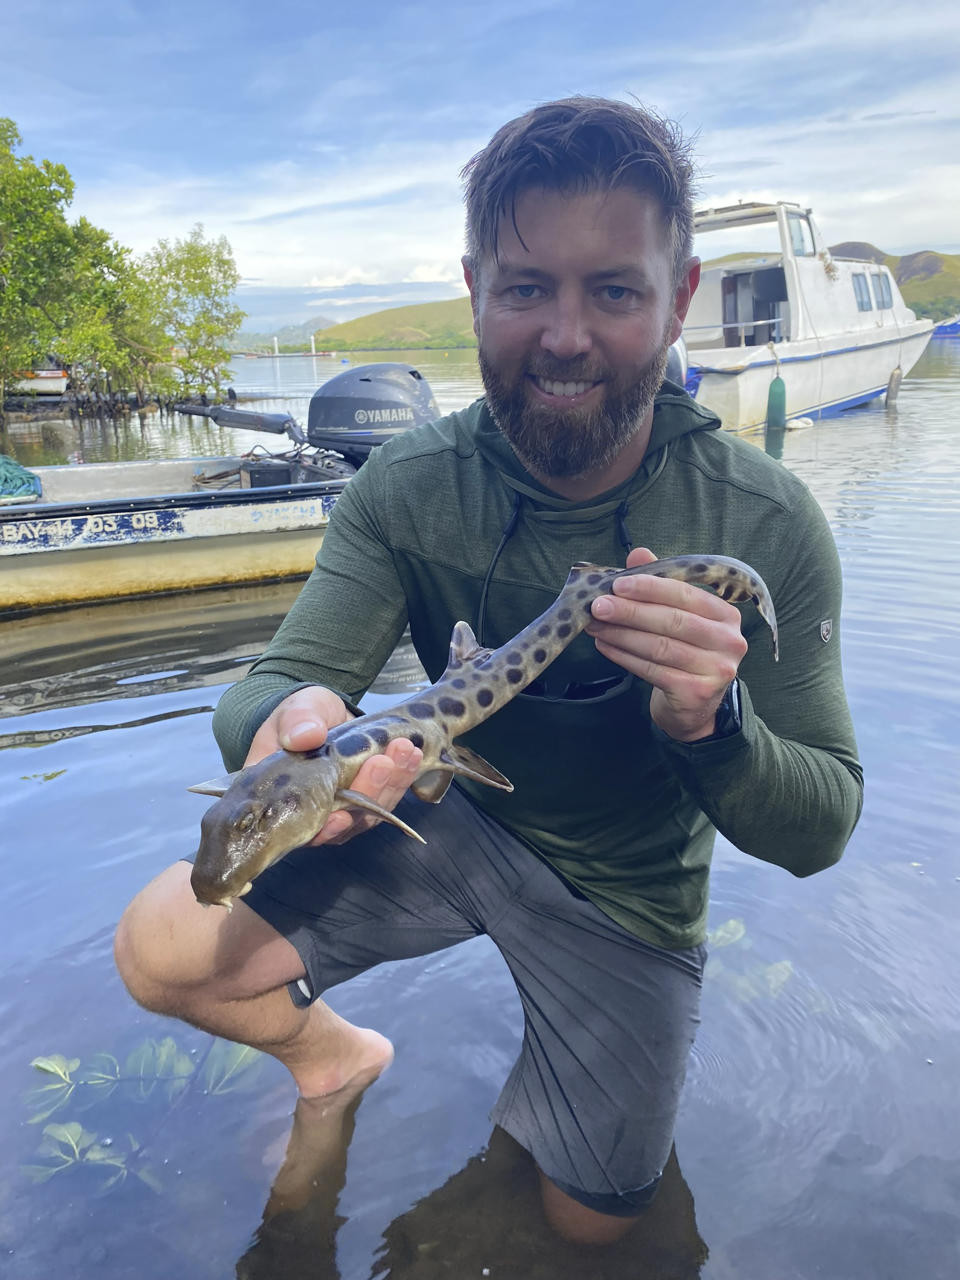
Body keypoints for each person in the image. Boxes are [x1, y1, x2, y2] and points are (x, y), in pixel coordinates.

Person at [115, 96, 862, 1247]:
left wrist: (713, 722)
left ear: (677, 298)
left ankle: (555, 1137)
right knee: (161, 943)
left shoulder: (766, 517)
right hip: (439, 813)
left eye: (613, 290)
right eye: (526, 287)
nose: (565, 335)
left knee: (591, 1229)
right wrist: (288, 725)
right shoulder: (406, 485)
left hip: (627, 895)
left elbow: (821, 826)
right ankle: (338, 1065)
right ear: (475, 290)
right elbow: (280, 682)